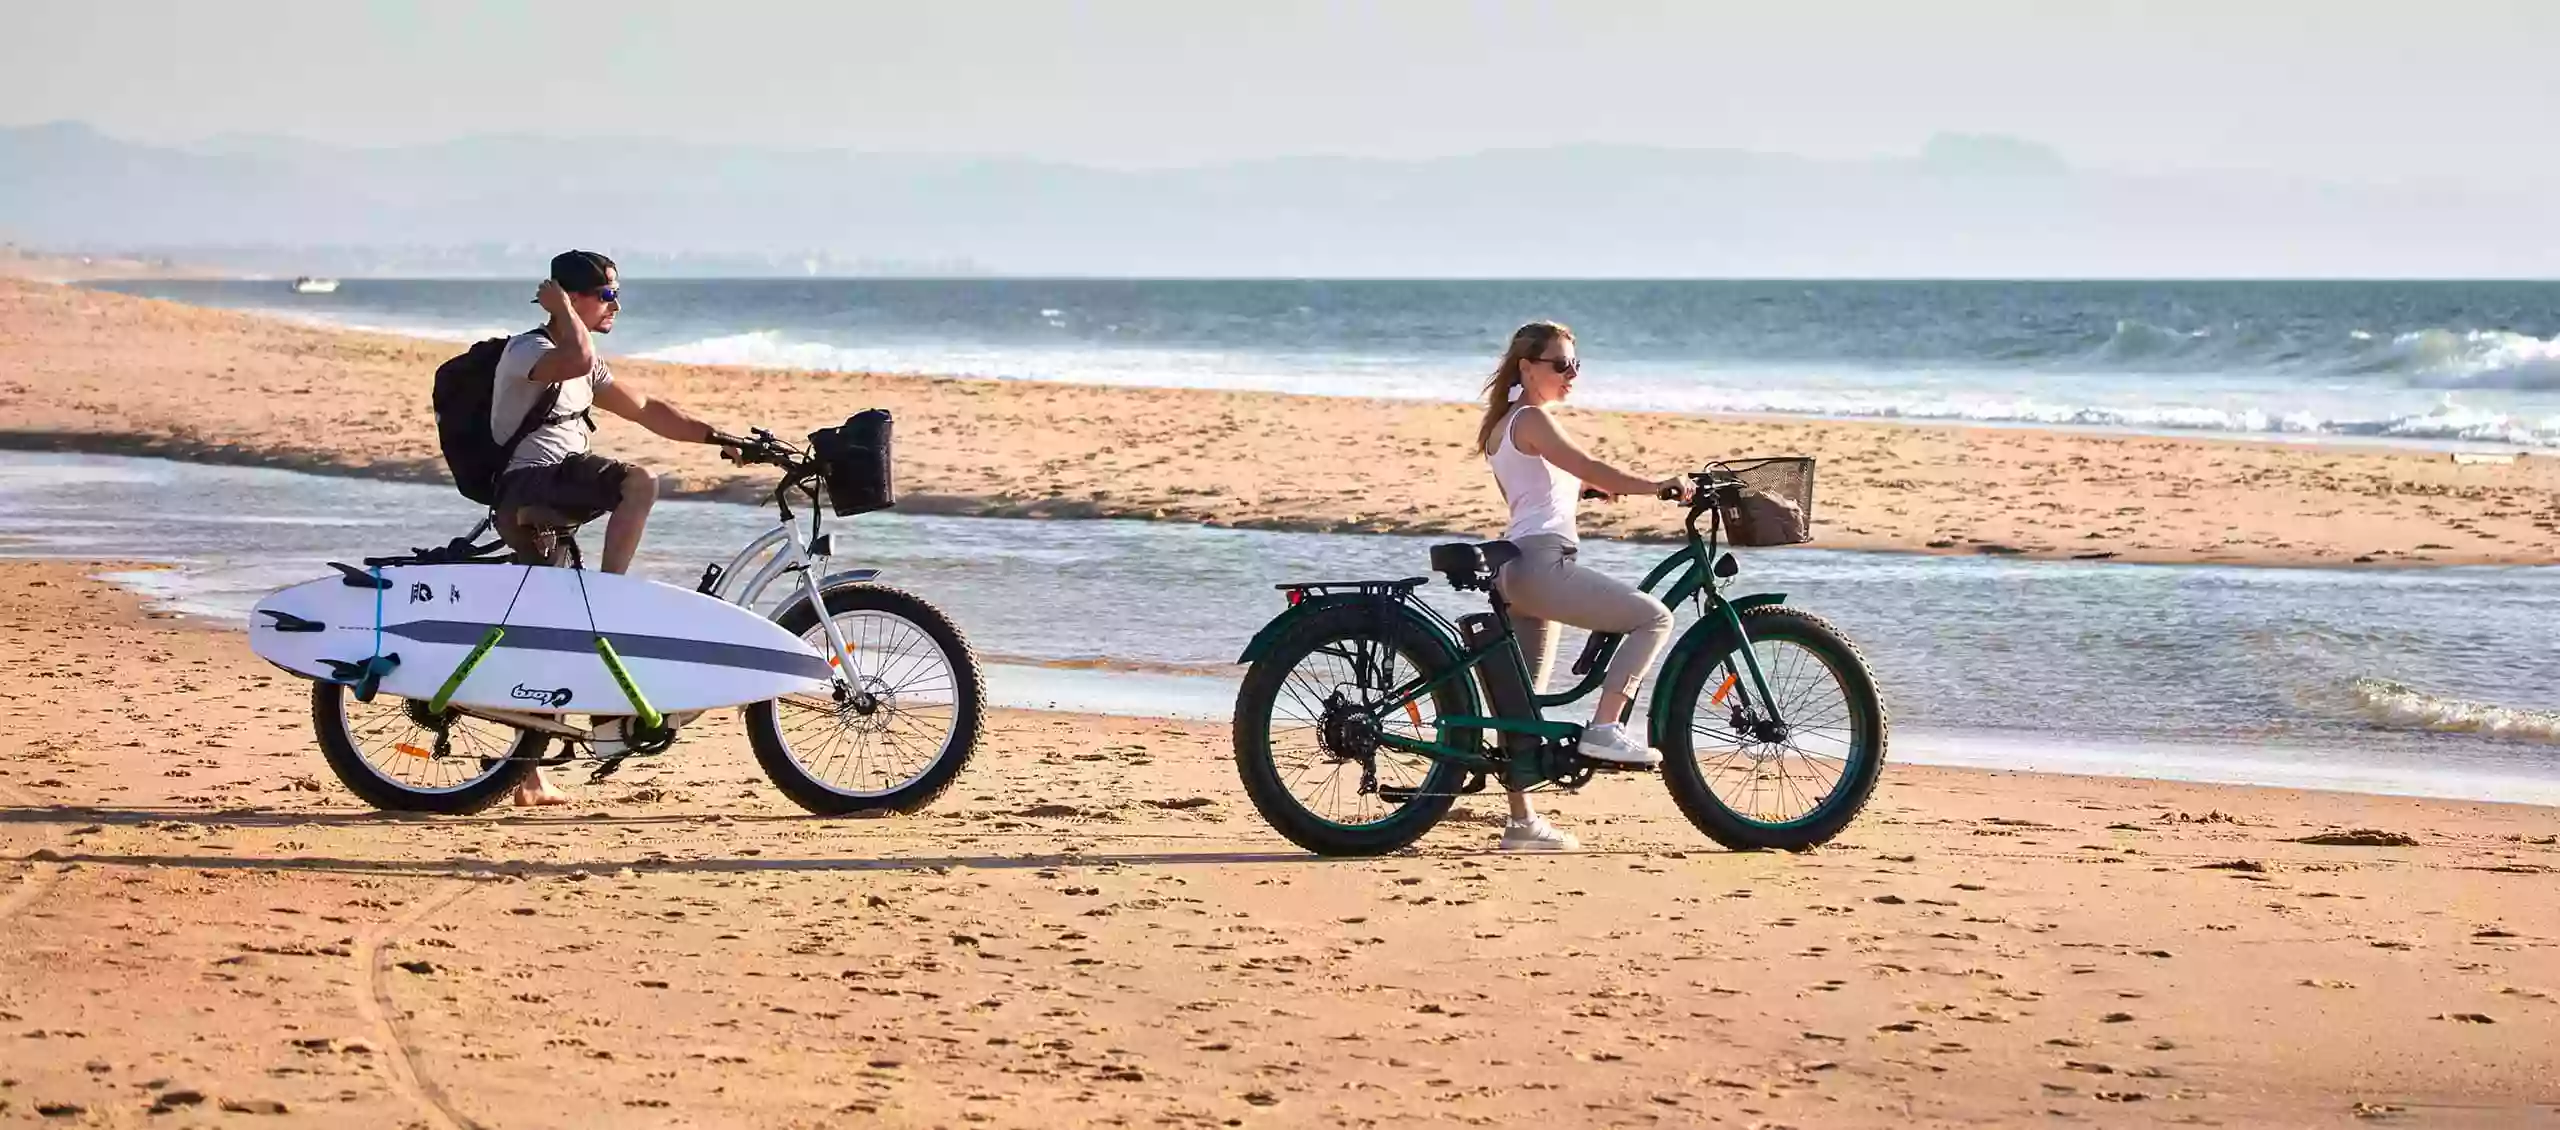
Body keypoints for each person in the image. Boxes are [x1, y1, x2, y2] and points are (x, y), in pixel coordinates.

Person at [491, 250, 736, 805]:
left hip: (553, 499)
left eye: (616, 295)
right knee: (638, 482)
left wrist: (718, 437)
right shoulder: (531, 350)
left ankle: (526, 777)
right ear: (568, 298)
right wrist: (560, 311)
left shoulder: (587, 364)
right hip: (530, 488)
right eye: (605, 296)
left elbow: (648, 408)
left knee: (549, 631)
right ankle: (611, 596)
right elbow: (575, 356)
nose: (616, 305)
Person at [1476, 321, 1690, 852]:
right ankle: (1605, 728)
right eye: (1561, 364)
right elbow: (1591, 464)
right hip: (1543, 567)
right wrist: (1656, 485)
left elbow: (1541, 491)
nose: (1572, 374)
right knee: (1653, 617)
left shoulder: (1504, 424)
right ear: (1528, 367)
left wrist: (1584, 492)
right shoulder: (1534, 419)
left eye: (1576, 364)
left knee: (1519, 704)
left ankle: (1522, 825)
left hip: (1516, 569)